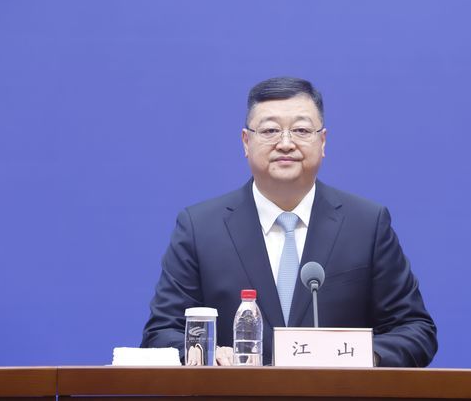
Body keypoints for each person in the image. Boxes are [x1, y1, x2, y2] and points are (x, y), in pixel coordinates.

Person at [141, 77, 438, 367]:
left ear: (323, 141)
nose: (285, 143)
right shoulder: (200, 227)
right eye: (270, 130)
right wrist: (207, 354)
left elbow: (415, 329)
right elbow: (162, 332)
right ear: (246, 142)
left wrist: (363, 358)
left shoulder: (366, 224)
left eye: (301, 130)